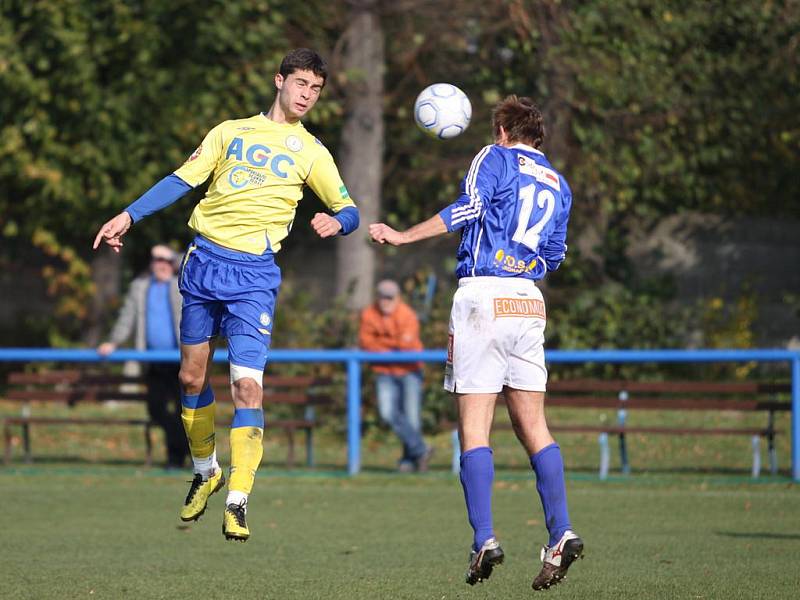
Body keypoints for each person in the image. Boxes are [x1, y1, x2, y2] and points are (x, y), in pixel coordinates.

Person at [92, 49, 359, 542]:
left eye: (316, 89)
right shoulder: (229, 132)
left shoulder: (313, 152)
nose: (307, 95)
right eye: (300, 83)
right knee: (191, 379)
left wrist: (336, 220)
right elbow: (181, 179)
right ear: (279, 80)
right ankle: (206, 470)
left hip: (254, 278)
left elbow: (350, 209)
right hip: (203, 265)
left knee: (247, 387)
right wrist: (128, 215)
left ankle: (238, 501)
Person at [369, 96, 583, 591]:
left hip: (482, 296)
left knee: (474, 429)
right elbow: (554, 254)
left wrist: (403, 236)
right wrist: (520, 268)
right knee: (536, 427)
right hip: (529, 302)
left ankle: (484, 537)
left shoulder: (494, 157)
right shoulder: (560, 183)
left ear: (504, 130)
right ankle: (560, 532)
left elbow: (469, 208)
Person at [97, 244, 188, 469]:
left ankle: (176, 459)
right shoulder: (140, 288)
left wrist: (172, 256)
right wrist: (113, 342)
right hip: (153, 362)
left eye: (166, 261)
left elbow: (190, 260)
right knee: (156, 409)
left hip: (180, 361)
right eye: (157, 260)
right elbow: (127, 318)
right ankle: (184, 448)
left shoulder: (181, 285)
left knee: (181, 411)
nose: (161, 265)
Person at [359, 279, 431, 472]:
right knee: (387, 413)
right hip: (384, 371)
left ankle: (410, 461)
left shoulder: (406, 314)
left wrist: (381, 343)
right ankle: (421, 449)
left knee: (412, 418)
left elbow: (406, 346)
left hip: (410, 370)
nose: (385, 301)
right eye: (382, 297)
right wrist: (392, 343)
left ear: (397, 298)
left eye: (389, 298)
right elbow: (366, 343)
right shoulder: (369, 314)